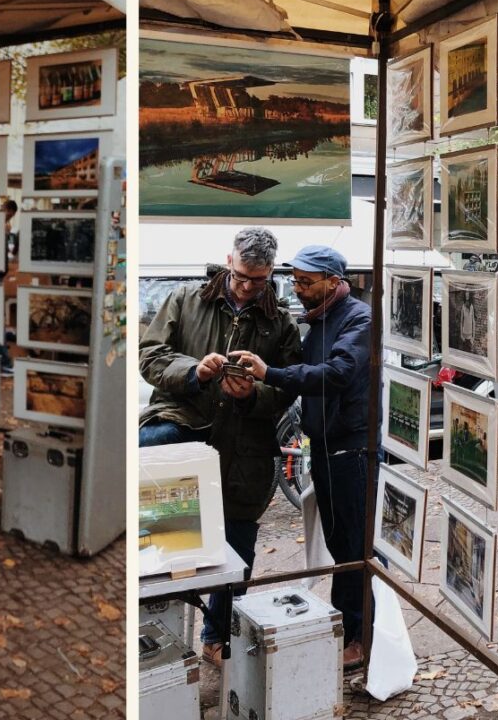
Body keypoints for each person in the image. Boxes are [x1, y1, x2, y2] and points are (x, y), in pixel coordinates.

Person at [138, 227, 302, 666]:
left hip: (245, 449)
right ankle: (155, 635)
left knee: (239, 550)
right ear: (228, 260)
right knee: (163, 543)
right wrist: (197, 372)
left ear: (270, 273)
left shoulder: (280, 323)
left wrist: (253, 394)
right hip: (183, 426)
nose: (248, 288)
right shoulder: (186, 300)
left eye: (259, 280)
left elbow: (286, 389)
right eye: (242, 276)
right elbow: (150, 356)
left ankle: (217, 638)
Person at [231, 245, 373, 671]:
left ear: (333, 280)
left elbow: (338, 373)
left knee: (354, 548)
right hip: (326, 448)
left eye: (305, 282)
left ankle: (362, 638)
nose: (297, 289)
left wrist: (269, 373)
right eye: (294, 281)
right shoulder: (319, 320)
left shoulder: (359, 319)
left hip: (351, 450)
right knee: (338, 545)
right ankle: (347, 630)